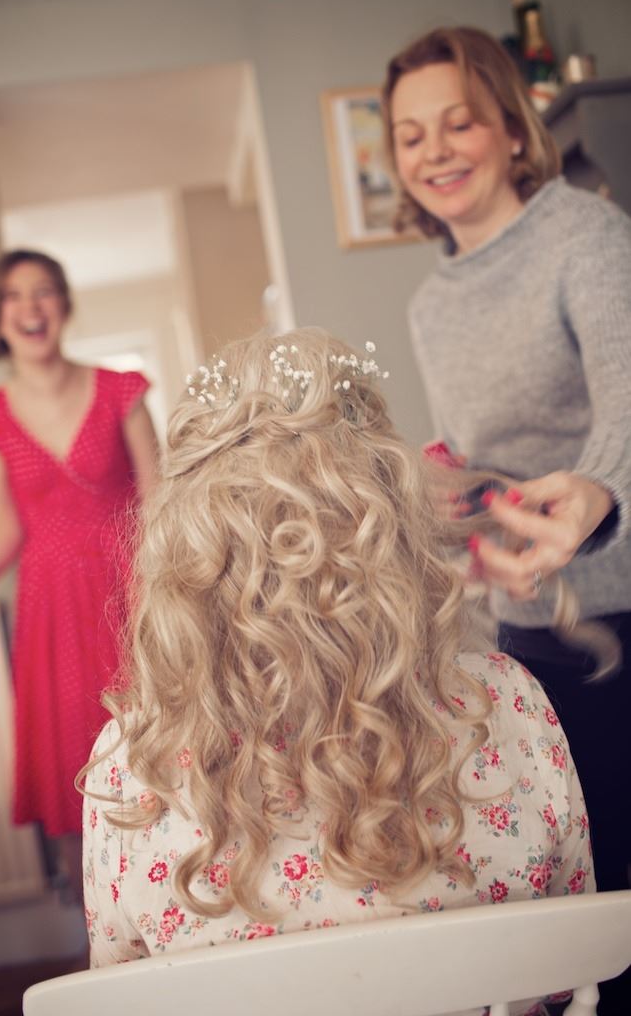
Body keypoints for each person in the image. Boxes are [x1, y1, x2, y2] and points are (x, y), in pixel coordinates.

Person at [82, 329, 591, 1016]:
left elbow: (119, 996)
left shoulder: (134, 762)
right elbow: (566, 972)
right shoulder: (507, 704)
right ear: (389, 513)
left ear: (188, 542)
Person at [381, 26, 631, 1012]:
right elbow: (474, 453)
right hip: (532, 629)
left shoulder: (584, 235)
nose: (434, 152)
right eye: (410, 136)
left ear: (511, 130)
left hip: (622, 602)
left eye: (458, 123)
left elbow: (626, 401)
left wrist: (596, 492)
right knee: (587, 875)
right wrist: (464, 523)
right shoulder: (429, 303)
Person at [0, 248, 159, 895]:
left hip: (133, 590)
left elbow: (159, 499)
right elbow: (7, 526)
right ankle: (95, 920)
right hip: (54, 610)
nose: (30, 306)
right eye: (13, 296)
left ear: (63, 305)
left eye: (43, 291)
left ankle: (171, 896)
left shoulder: (121, 390)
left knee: (155, 740)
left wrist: (175, 583)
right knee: (75, 758)